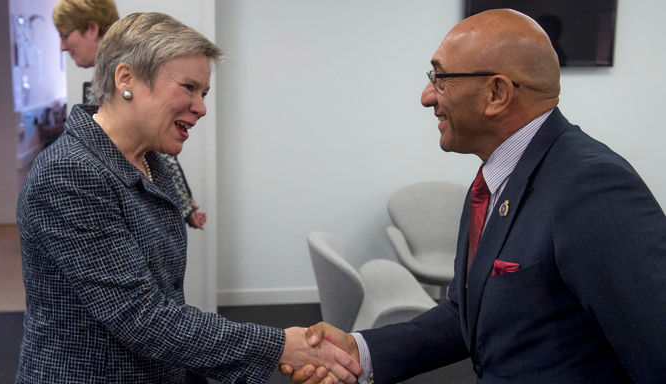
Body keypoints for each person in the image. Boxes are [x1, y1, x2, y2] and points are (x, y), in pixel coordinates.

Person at [283, 8, 666, 384]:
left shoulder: (592, 186)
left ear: (496, 93)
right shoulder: (494, 179)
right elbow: (464, 314)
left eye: (441, 78)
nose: (426, 96)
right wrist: (360, 351)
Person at [15, 12, 361, 384]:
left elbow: (165, 302)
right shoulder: (70, 173)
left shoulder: (152, 163)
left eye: (204, 93)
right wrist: (280, 345)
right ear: (126, 79)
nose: (201, 107)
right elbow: (141, 317)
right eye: (188, 87)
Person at [53, 0, 207, 229]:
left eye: (65, 35)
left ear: (92, 29)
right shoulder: (68, 171)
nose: (62, 47)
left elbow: (158, 150)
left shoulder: (115, 86)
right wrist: (183, 204)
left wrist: (183, 203)